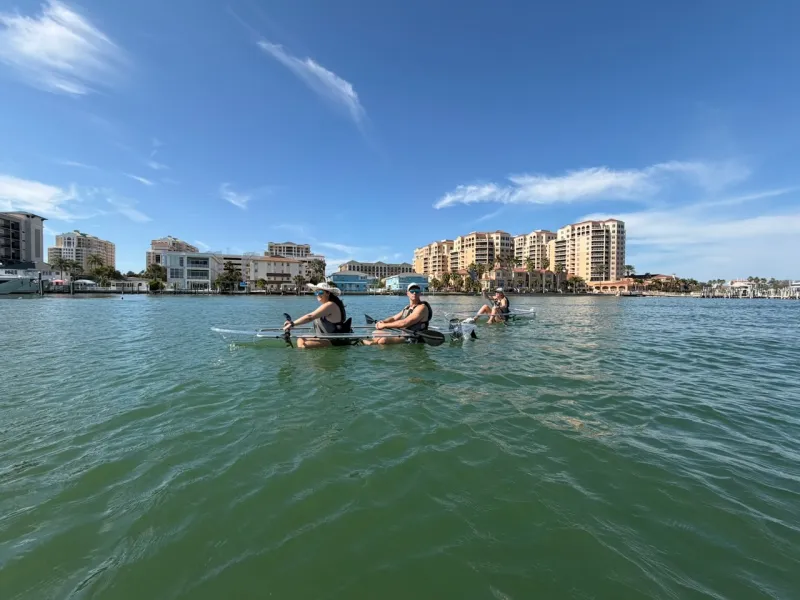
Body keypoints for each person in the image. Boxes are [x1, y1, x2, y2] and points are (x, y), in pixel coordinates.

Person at [282, 282, 354, 348]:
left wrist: (292, 324)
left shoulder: (330, 305)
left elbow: (310, 317)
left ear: (328, 293)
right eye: (316, 292)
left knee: (304, 346)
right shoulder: (327, 305)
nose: (318, 295)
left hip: (335, 341)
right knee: (301, 339)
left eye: (320, 292)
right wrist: (291, 323)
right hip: (325, 338)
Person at [363, 283, 432, 345]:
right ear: (407, 293)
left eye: (417, 291)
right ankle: (373, 343)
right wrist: (383, 321)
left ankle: (371, 343)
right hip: (404, 334)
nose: (414, 293)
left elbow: (404, 323)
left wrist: (384, 325)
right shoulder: (407, 307)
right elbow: (394, 318)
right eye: (412, 291)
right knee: (375, 332)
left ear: (420, 293)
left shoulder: (422, 308)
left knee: (383, 340)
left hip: (413, 338)